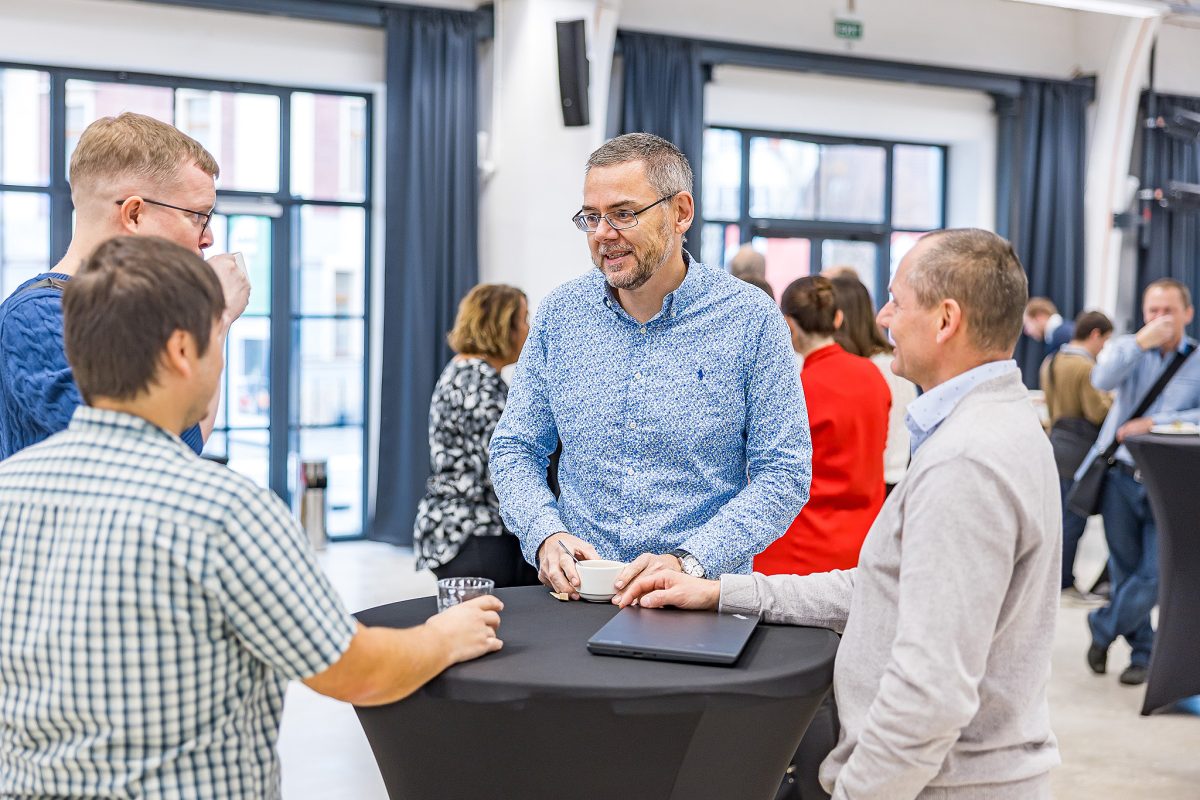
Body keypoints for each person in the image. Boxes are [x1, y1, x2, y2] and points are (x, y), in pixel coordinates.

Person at [0, 236, 503, 798]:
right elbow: (357, 671)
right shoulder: (223, 510)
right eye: (219, 338)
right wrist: (443, 636)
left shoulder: (9, 490)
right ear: (182, 352)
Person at [616, 229, 1061, 800]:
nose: (882, 318)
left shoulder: (965, 462)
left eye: (898, 301)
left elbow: (931, 694)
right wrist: (720, 593)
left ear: (946, 320)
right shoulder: (999, 425)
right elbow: (882, 590)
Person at [489, 132, 811, 599]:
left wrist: (692, 559)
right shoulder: (561, 316)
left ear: (681, 212)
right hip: (579, 597)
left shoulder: (749, 319)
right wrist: (543, 533)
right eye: (592, 217)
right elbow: (515, 448)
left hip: (697, 599)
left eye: (623, 214)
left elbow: (783, 473)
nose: (602, 233)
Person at [0, 112, 250, 459]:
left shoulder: (143, 312)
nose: (208, 238)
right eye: (197, 216)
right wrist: (216, 318)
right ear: (134, 214)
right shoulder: (36, 317)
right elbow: (159, 455)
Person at [1080, 278, 1200, 686]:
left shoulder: (1198, 359)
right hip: (1120, 477)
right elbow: (1100, 380)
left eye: (1169, 310)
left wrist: (1156, 423)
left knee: (1156, 573)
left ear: (1188, 313)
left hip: (1171, 482)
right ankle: (1142, 654)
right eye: (1153, 310)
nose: (1161, 318)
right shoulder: (1128, 350)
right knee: (1125, 568)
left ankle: (1101, 626)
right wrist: (1139, 342)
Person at [754, 275, 889, 576]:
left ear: (788, 325)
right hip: (861, 542)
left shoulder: (798, 387)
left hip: (799, 550)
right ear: (838, 318)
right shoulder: (874, 376)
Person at [414, 283, 539, 587]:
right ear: (501, 326)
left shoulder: (469, 371)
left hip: (456, 526)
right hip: (473, 531)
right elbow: (503, 466)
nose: (529, 329)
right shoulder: (477, 382)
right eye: (523, 319)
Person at [1039, 310, 1113, 601]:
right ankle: (1064, 582)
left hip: (1055, 443)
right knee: (1074, 519)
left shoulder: (1051, 361)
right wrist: (1113, 400)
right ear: (1095, 334)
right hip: (1078, 451)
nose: (1104, 348)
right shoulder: (1085, 368)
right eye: (1104, 341)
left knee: (1057, 517)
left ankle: (1055, 580)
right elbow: (1096, 411)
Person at [831, 273, 918, 493]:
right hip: (888, 479)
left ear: (840, 318)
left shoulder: (880, 369)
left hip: (881, 483)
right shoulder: (885, 363)